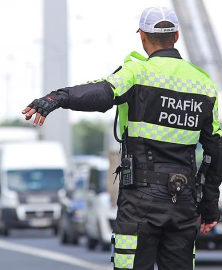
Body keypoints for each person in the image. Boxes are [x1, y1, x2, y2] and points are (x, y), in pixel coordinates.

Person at [22, 6, 221, 270]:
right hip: (183, 200)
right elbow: (214, 151)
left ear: (142, 36)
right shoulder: (204, 84)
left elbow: (101, 93)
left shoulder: (137, 72)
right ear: (176, 36)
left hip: (141, 200)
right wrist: (209, 207)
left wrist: (56, 98)